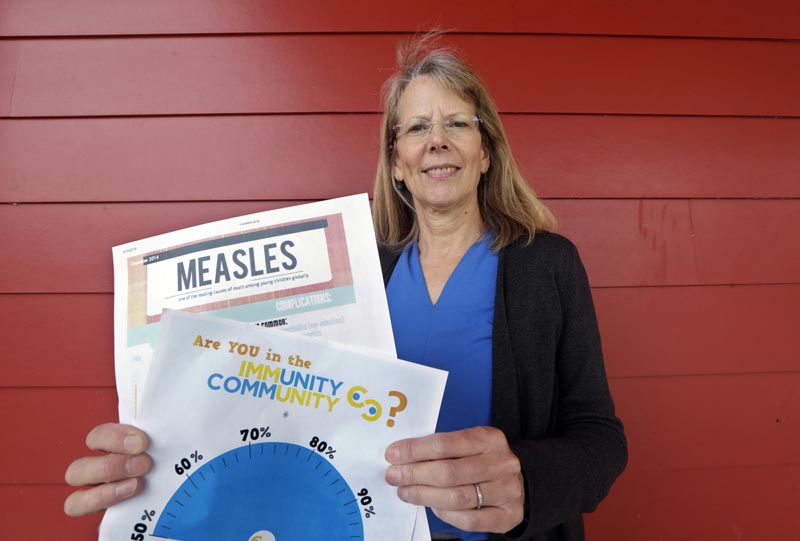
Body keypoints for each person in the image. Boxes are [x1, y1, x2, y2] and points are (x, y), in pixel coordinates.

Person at [64, 34, 627, 541]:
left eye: (458, 123)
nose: (437, 141)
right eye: (416, 128)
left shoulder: (547, 264)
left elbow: (601, 437)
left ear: (485, 153)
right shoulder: (357, 272)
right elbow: (282, 404)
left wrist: (529, 482)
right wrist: (165, 454)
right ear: (397, 163)